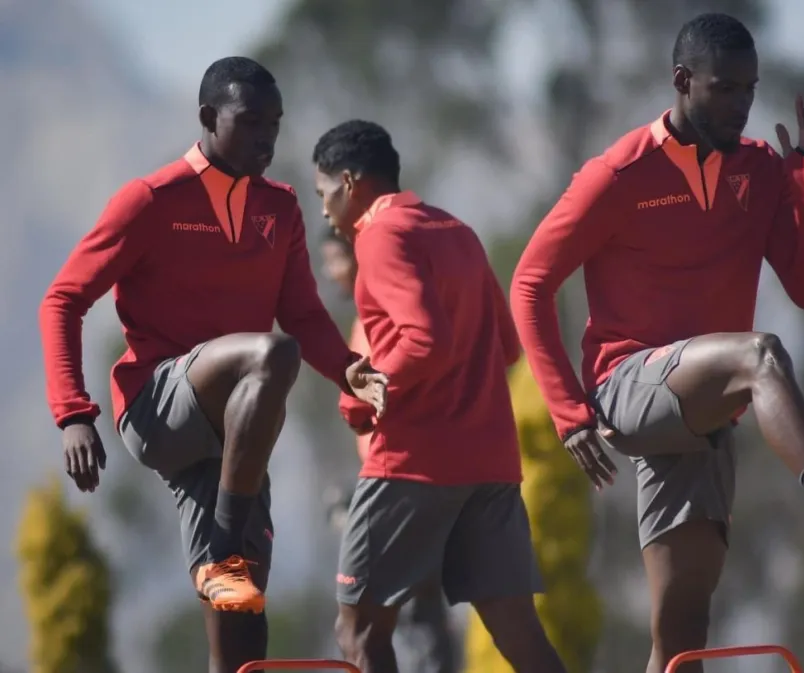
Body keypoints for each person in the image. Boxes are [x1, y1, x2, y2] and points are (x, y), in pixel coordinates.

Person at [509, 13, 804, 673]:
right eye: (725, 89)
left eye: (750, 88)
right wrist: (569, 412)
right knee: (760, 354)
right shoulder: (619, 174)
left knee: (682, 639)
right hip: (627, 387)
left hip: (704, 414)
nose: (743, 105)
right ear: (682, 82)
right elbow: (529, 283)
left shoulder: (761, 169)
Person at [39, 57, 388, 673]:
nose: (267, 138)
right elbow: (63, 299)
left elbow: (305, 314)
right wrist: (73, 414)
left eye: (275, 124)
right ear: (207, 118)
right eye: (251, 121)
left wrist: (351, 369)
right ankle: (229, 534)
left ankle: (228, 563)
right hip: (159, 406)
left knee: (241, 614)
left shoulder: (278, 209)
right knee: (271, 353)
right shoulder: (150, 201)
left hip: (229, 447)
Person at [311, 120, 566, 673]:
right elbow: (506, 348)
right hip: (491, 466)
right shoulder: (456, 231)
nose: (324, 210)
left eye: (323, 193)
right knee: (520, 636)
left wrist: (360, 396)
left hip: (410, 466)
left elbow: (424, 341)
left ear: (349, 183)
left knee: (357, 632)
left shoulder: (378, 236)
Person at [318, 229, 457, 673]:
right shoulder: (363, 322)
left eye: (336, 259)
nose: (330, 272)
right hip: (386, 479)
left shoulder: (391, 319)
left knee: (393, 617)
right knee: (401, 616)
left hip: (404, 483)